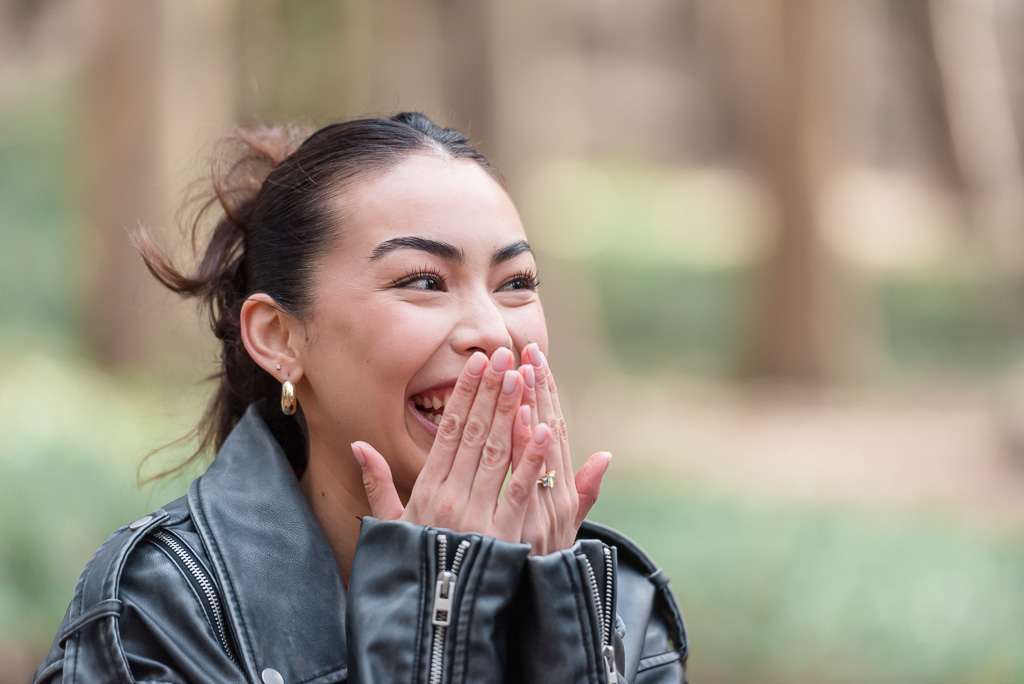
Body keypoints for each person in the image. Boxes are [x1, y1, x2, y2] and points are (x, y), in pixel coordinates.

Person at [33, 113, 688, 683]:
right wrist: (441, 624)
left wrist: (551, 619)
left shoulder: (616, 606)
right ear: (279, 336)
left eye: (515, 281)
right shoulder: (166, 608)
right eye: (425, 280)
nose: (493, 330)